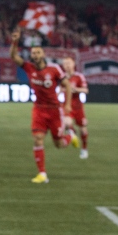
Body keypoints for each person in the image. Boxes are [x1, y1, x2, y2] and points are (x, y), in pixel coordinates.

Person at [10, 28, 79, 184]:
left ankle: (71, 136)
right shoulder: (29, 67)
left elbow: (67, 85)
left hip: (55, 111)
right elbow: (13, 56)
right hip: (39, 109)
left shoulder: (54, 69)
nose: (35, 55)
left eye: (38, 53)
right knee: (38, 139)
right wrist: (15, 41)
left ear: (43, 54)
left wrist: (67, 105)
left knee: (59, 144)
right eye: (33, 53)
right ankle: (42, 174)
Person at [61, 56, 89, 159]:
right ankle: (72, 134)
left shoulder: (79, 77)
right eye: (65, 64)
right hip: (67, 105)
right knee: (67, 123)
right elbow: (58, 89)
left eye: (69, 63)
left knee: (83, 130)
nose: (67, 65)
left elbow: (86, 90)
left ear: (73, 64)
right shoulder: (62, 77)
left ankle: (84, 149)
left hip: (78, 107)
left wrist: (75, 89)